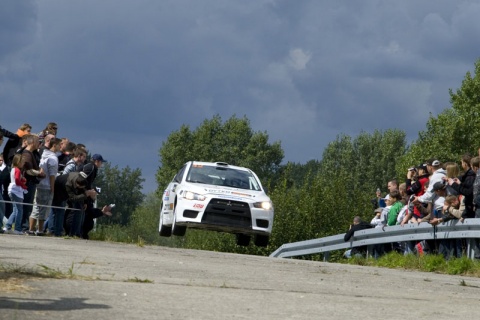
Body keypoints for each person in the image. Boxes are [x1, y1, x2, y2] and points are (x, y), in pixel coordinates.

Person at [28, 137, 61, 236]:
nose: (60, 147)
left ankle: (31, 229)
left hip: (40, 184)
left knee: (36, 207)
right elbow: (52, 175)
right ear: (54, 145)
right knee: (44, 208)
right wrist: (52, 188)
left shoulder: (44, 154)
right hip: (46, 186)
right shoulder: (53, 158)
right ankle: (40, 229)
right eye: (59, 145)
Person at [50, 171, 97, 237]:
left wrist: (85, 202)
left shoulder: (82, 179)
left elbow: (83, 190)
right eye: (80, 187)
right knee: (58, 211)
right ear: (77, 184)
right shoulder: (68, 184)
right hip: (59, 191)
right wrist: (86, 194)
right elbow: (72, 198)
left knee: (60, 211)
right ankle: (55, 232)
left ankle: (66, 232)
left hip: (69, 190)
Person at [20, 134, 46, 232]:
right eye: (37, 141)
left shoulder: (31, 153)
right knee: (26, 205)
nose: (39, 143)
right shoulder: (27, 154)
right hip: (27, 182)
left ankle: (24, 226)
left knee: (28, 205)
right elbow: (28, 170)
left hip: (29, 182)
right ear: (33, 142)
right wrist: (39, 172)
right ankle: (24, 226)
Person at [4, 154, 28, 234]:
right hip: (16, 191)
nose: (23, 163)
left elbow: (16, 179)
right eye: (22, 162)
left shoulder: (13, 169)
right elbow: (17, 180)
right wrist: (23, 185)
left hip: (11, 190)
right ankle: (17, 228)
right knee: (20, 210)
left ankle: (8, 226)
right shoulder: (17, 169)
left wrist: (22, 180)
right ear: (18, 162)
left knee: (15, 210)